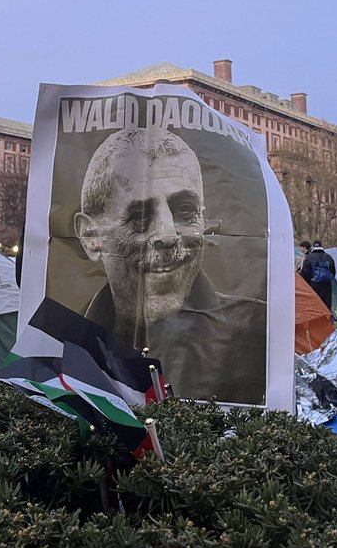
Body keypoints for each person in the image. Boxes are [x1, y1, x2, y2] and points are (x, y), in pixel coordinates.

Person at [74, 127, 267, 404]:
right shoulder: (60, 343)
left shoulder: (261, 334)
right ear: (91, 236)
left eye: (185, 211)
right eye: (139, 215)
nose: (167, 235)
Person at [299, 240, 337, 311]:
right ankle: (327, 320)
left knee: (314, 307)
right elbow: (333, 272)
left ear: (313, 247)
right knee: (326, 306)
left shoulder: (309, 257)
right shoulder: (329, 257)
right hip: (327, 285)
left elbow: (305, 273)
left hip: (313, 285)